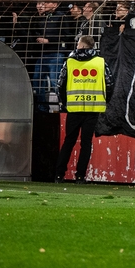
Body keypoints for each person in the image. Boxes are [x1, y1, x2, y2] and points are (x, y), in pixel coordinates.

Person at [55, 35, 113, 183]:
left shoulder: (70, 62)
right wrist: (105, 100)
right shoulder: (100, 62)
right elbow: (110, 83)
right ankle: (80, 176)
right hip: (93, 109)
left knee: (69, 141)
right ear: (92, 46)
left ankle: (59, 175)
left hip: (74, 108)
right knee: (86, 143)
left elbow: (60, 85)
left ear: (81, 45)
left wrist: (64, 103)